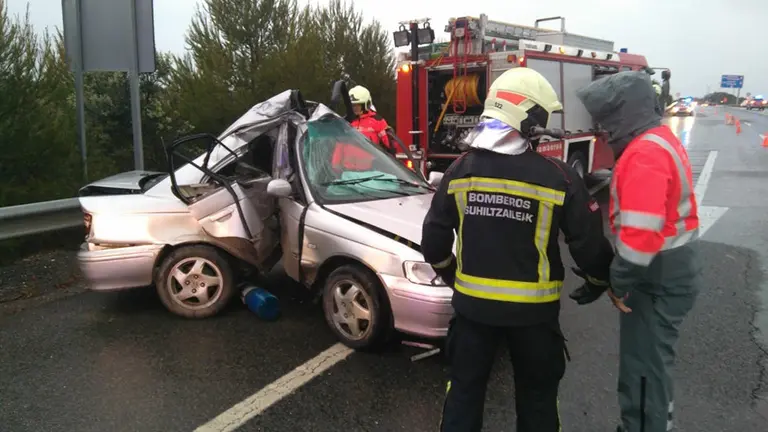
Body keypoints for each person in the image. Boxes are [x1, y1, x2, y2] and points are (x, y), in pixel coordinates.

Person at [421, 67, 616, 432]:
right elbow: (587, 241)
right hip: (534, 318)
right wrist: (599, 278)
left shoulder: (460, 170)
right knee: (538, 401)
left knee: (463, 395)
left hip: (473, 313)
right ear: (530, 116)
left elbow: (433, 240)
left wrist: (451, 274)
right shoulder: (558, 176)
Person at [575, 70, 702, 432]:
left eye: (605, 119)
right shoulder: (658, 139)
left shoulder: (644, 153)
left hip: (656, 277)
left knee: (644, 367)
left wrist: (616, 283)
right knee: (653, 363)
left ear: (623, 114)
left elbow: (639, 238)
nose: (601, 128)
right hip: (670, 271)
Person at [348, 85, 392, 153]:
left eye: (358, 105)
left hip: (371, 162)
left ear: (366, 104)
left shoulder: (378, 121)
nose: (355, 108)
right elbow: (340, 146)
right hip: (349, 162)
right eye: (353, 105)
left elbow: (389, 147)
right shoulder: (348, 121)